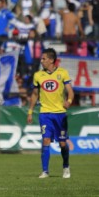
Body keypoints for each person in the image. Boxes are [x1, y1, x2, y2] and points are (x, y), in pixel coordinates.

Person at [27, 48, 74, 179]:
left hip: (60, 113)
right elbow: (35, 94)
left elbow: (70, 91)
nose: (41, 61)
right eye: (41, 59)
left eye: (44, 59)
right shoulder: (38, 75)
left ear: (51, 60)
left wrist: (69, 101)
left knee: (62, 144)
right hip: (45, 113)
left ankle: (65, 166)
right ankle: (45, 171)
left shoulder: (62, 73)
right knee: (46, 140)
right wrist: (30, 111)